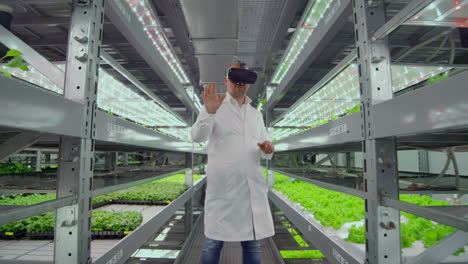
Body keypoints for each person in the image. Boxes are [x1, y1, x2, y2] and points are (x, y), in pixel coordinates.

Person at [191, 62, 275, 264]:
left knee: (252, 244)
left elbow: (265, 148)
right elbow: (196, 136)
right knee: (213, 243)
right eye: (235, 81)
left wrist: (268, 150)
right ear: (226, 81)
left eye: (244, 82)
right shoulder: (215, 107)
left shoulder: (255, 114)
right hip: (224, 191)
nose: (240, 86)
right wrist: (209, 112)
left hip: (250, 190)